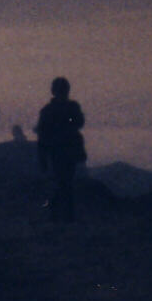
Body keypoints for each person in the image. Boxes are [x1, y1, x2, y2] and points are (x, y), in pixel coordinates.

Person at [34, 76, 86, 223]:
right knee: (64, 182)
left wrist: (42, 156)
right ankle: (64, 215)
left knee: (62, 182)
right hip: (65, 150)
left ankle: (59, 214)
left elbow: (42, 134)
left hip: (58, 150)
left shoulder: (49, 110)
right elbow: (78, 123)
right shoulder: (70, 107)